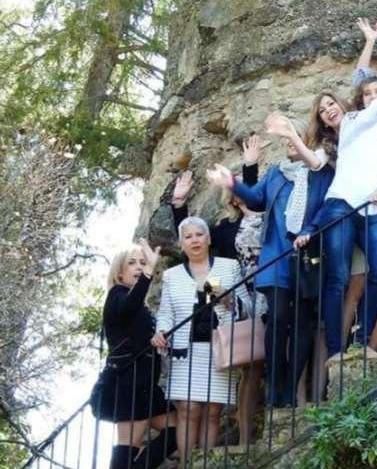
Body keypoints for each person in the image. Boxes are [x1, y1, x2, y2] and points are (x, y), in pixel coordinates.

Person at [206, 115, 331, 408]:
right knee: (276, 320)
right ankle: (275, 385)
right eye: (284, 139)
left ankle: (290, 388)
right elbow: (256, 199)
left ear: (306, 139)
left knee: (302, 322)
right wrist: (232, 182)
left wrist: (311, 231)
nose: (288, 143)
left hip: (306, 254)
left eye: (293, 136)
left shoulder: (320, 170)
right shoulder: (276, 172)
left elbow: (327, 206)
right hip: (276, 255)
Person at [293, 62, 377, 361]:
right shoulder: (353, 121)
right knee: (339, 278)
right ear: (360, 100)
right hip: (344, 204)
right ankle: (335, 350)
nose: (373, 97)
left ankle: (362, 343)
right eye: (367, 93)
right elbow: (372, 113)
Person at [169, 140, 263, 444]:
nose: (239, 197)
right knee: (250, 366)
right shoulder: (223, 230)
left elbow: (257, 200)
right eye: (233, 193)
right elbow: (197, 249)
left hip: (276, 287)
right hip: (243, 298)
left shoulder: (269, 215)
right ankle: (245, 435)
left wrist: (250, 167)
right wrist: (179, 206)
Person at [151, 218, 252, 458]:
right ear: (181, 244)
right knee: (188, 408)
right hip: (186, 351)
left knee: (213, 411)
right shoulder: (172, 276)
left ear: (208, 239)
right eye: (188, 236)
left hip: (219, 348)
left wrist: (225, 298)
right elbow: (166, 313)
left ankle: (206, 463)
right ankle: (187, 463)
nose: (194, 240)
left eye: (199, 235)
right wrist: (160, 331)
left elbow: (247, 307)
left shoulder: (229, 267)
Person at [99, 242, 177, 469]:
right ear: (119, 271)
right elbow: (128, 306)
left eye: (142, 263)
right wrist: (149, 272)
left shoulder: (138, 306)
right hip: (128, 383)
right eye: (132, 263)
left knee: (176, 429)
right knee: (128, 444)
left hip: (145, 384)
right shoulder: (117, 294)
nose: (139, 267)